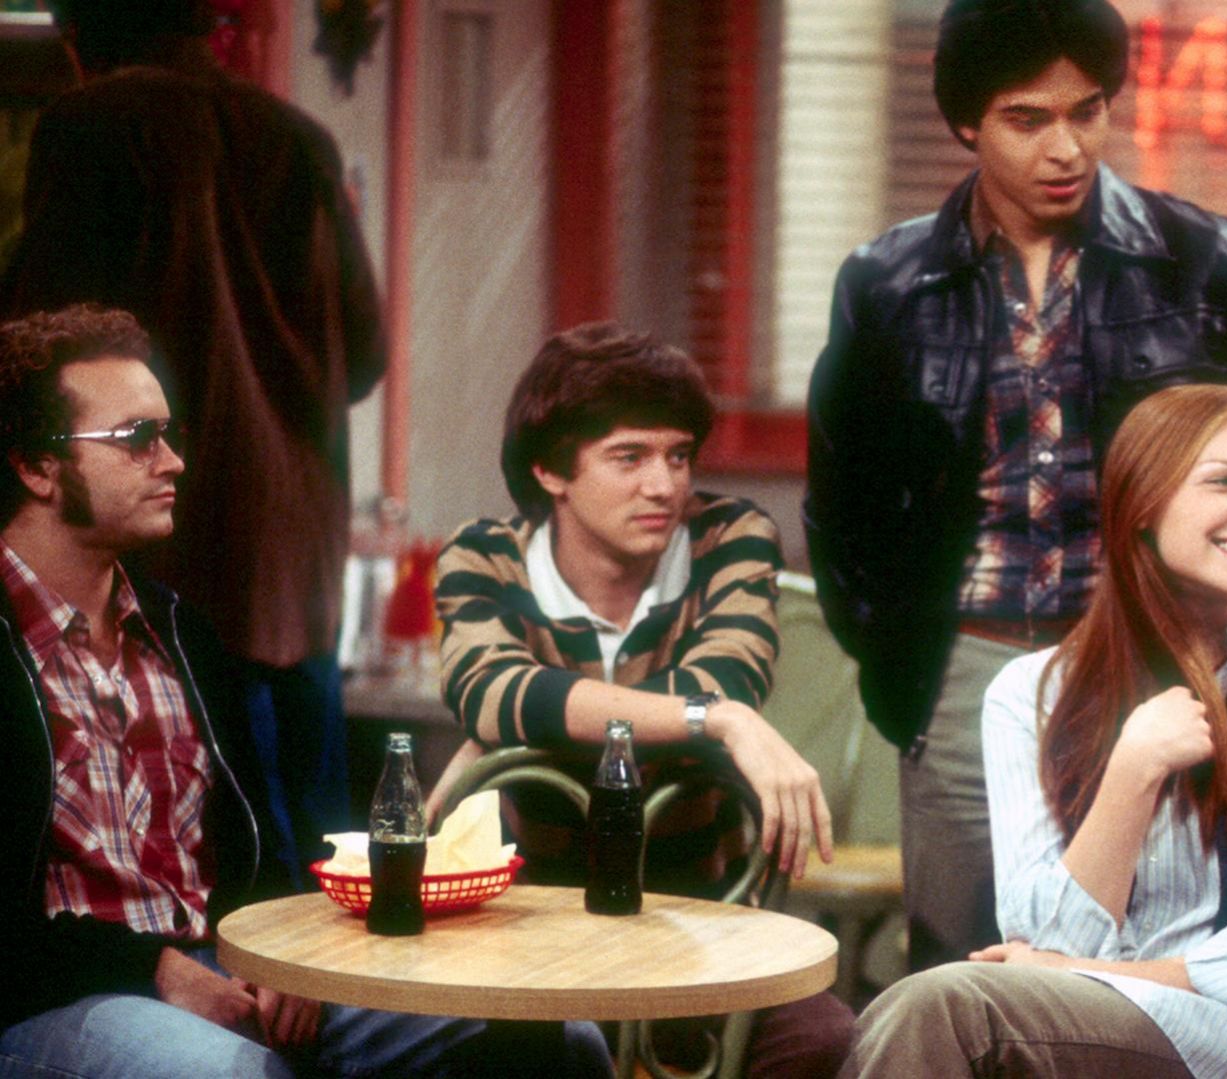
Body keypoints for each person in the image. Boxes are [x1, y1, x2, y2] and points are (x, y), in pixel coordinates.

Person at [805, 0, 1227, 971]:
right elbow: (840, 510)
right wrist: (907, 662)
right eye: (1027, 119)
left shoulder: (1212, 265)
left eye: (1087, 111)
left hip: (1160, 657)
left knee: (1151, 963)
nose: (1064, 148)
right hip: (963, 668)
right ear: (966, 122)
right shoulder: (886, 284)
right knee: (964, 971)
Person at [0, 305, 610, 1078]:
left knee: (556, 1036)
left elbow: (258, 854)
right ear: (37, 465)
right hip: (53, 996)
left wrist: (282, 954)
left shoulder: (180, 633)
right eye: (136, 438)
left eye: (169, 433)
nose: (173, 461)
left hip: (221, 963)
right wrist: (155, 970)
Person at [841, 384, 1227, 1078]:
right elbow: (1043, 946)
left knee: (941, 1009)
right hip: (1086, 1023)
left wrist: (1092, 973)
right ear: (1142, 503)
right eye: (1224, 482)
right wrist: (1131, 772)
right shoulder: (1029, 694)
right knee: (910, 1016)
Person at [0, 0, 387, 886]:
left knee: (212, 890)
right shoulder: (301, 139)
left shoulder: (94, 122)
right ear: (213, 30)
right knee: (327, 896)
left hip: (173, 571)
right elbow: (365, 353)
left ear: (76, 41)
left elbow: (34, 357)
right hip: (297, 570)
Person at [431, 322, 850, 1077]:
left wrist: (519, 730)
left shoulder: (729, 537)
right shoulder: (485, 554)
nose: (663, 486)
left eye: (678, 455)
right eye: (629, 457)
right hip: (532, 934)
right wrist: (714, 722)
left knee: (824, 1036)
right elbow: (487, 687)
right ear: (550, 471)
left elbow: (724, 676)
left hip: (698, 925)